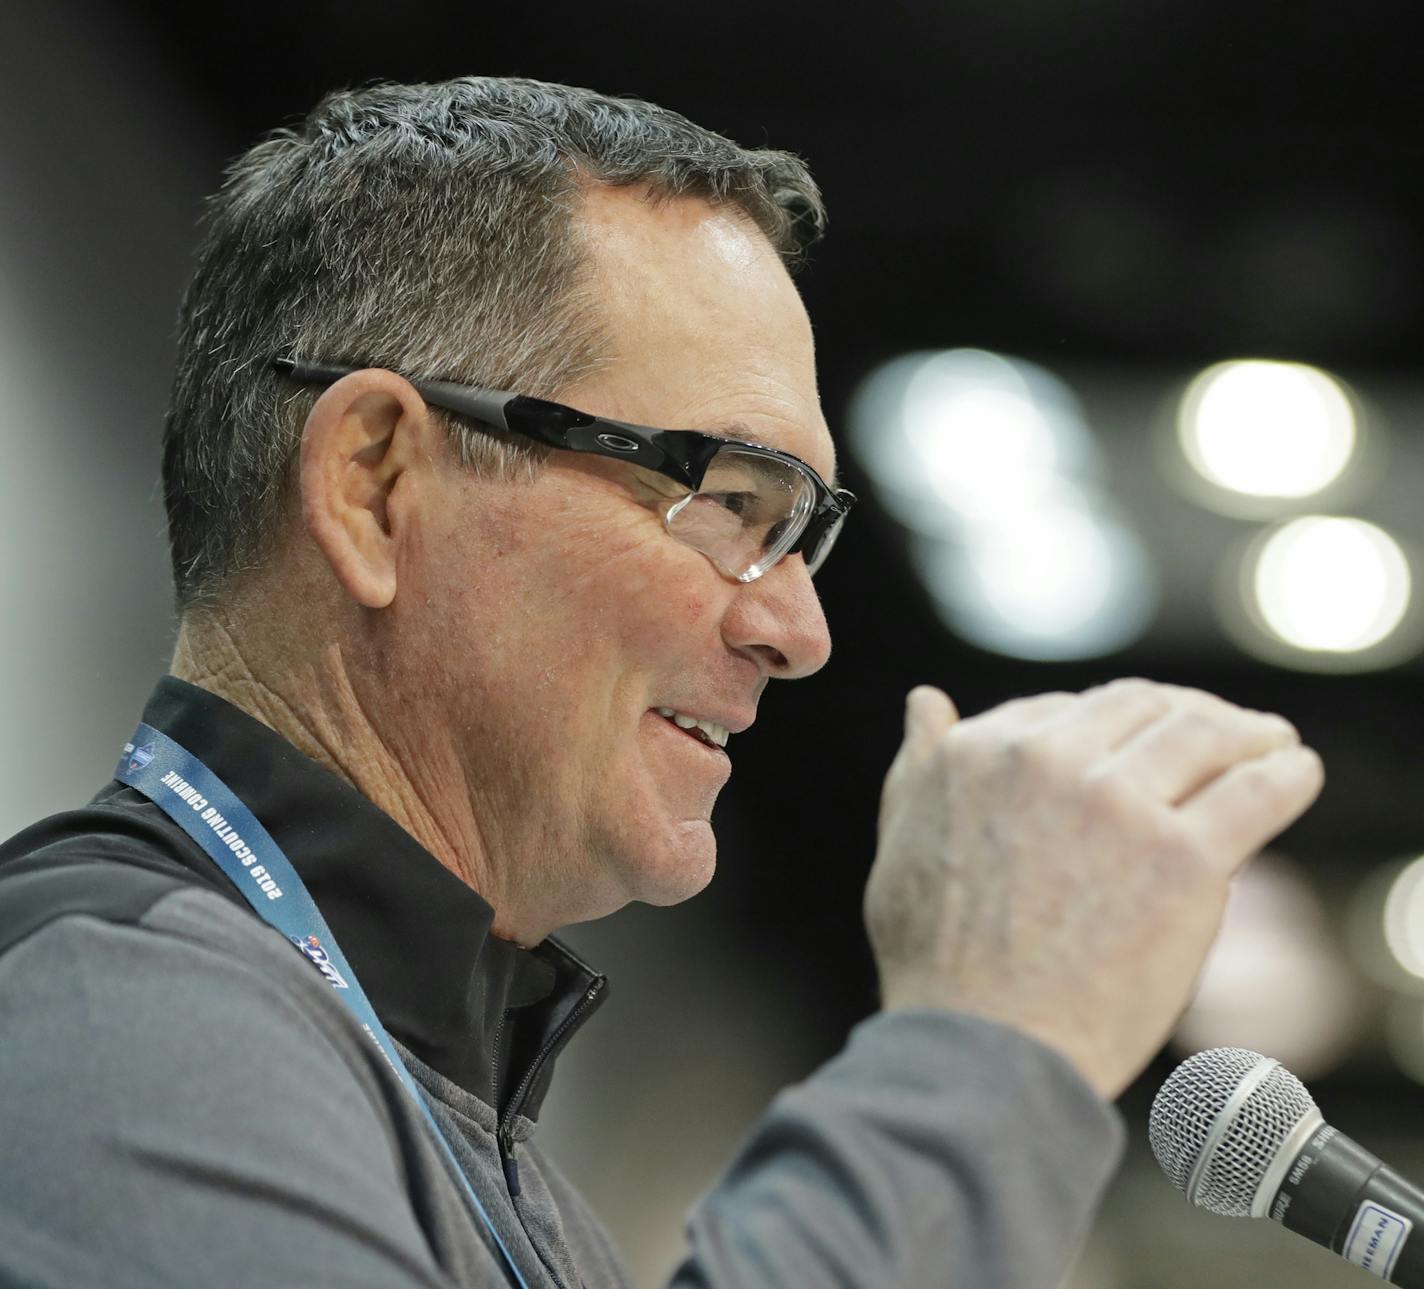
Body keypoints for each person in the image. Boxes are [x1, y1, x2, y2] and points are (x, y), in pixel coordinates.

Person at [0, 76, 1323, 1288]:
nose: (798, 628)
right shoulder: (114, 1021)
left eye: (804, 533)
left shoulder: (467, 1138)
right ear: (376, 481)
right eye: (732, 497)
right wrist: (989, 1037)